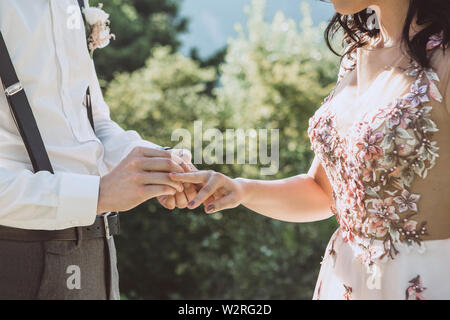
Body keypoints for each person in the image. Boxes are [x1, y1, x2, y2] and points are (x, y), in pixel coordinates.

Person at [170, 0, 450, 299]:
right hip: (346, 282)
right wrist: (240, 190)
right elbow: (322, 191)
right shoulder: (356, 55)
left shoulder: (445, 61)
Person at [0, 0, 196, 299]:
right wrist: (98, 194)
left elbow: (93, 125)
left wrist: (158, 163)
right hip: (15, 255)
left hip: (97, 249)